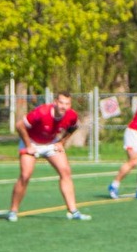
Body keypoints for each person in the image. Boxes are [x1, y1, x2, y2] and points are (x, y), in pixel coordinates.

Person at [5, 90, 89, 221]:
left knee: (65, 172)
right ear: (55, 102)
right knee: (25, 175)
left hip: (50, 143)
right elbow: (19, 125)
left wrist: (62, 142)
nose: (63, 106)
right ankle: (13, 211)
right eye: (61, 103)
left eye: (67, 104)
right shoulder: (42, 112)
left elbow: (74, 127)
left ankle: (73, 211)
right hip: (31, 141)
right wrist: (28, 145)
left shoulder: (71, 115)